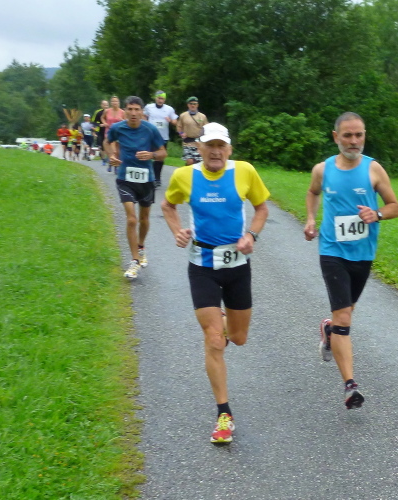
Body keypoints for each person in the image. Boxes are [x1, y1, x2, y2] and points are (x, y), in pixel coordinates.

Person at [161, 122, 270, 444]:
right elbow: (168, 205)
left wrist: (251, 235)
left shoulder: (244, 171)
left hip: (237, 266)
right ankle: (224, 415)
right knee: (214, 339)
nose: (216, 151)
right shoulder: (184, 176)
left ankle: (223, 323)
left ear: (229, 149)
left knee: (237, 338)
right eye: (210, 145)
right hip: (202, 267)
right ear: (200, 148)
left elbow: (262, 208)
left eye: (221, 146)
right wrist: (177, 231)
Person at [304, 112, 398, 409]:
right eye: (347, 135)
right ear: (336, 137)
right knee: (344, 318)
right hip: (332, 250)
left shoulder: (374, 169)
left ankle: (329, 330)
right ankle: (350, 385)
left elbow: (395, 206)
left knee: (345, 313)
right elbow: (312, 192)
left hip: (363, 253)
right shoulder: (323, 169)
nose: (354, 141)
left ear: (364, 136)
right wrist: (310, 219)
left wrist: (377, 214)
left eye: (359, 135)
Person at [107, 96, 166, 279]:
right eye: (130, 109)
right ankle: (134, 261)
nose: (133, 113)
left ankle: (141, 247)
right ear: (124, 111)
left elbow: (163, 153)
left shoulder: (150, 129)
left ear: (141, 111)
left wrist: (151, 155)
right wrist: (111, 155)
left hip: (146, 180)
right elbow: (107, 141)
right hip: (125, 178)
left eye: (136, 109)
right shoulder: (118, 128)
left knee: (144, 219)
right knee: (132, 219)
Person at [143, 90, 178, 187]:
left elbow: (175, 122)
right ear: (155, 98)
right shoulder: (149, 107)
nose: (160, 100)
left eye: (162, 98)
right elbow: (143, 115)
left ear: (164, 99)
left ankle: (157, 178)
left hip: (163, 137)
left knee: (160, 158)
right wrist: (146, 121)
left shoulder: (169, 109)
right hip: (150, 136)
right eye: (159, 98)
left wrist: (170, 120)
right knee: (148, 156)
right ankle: (149, 177)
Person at [176, 96, 207, 166]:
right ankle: (187, 170)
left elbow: (206, 128)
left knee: (198, 163)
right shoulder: (183, 115)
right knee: (190, 161)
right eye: (191, 104)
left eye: (194, 104)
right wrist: (181, 133)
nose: (193, 105)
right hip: (187, 142)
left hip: (198, 142)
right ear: (188, 105)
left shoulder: (202, 116)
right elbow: (179, 126)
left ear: (197, 105)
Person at [103, 96, 126, 172]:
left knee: (118, 151)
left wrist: (121, 120)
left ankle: (115, 166)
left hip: (119, 133)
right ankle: (111, 163)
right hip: (109, 132)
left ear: (119, 102)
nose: (114, 103)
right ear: (111, 103)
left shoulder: (122, 112)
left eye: (116, 101)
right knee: (113, 150)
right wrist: (105, 123)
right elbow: (102, 118)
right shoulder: (107, 111)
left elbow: (126, 121)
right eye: (113, 101)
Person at [92, 100, 109, 165]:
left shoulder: (110, 112)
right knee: (101, 146)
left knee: (108, 144)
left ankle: (108, 157)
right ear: (101, 105)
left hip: (109, 130)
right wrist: (99, 125)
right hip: (100, 131)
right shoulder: (98, 112)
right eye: (104, 105)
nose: (106, 106)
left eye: (107, 105)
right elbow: (93, 122)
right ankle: (103, 159)